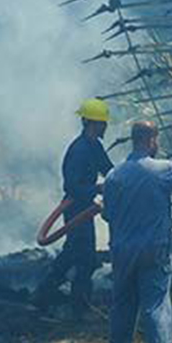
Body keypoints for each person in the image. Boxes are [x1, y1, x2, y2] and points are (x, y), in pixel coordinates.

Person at [102, 121, 172, 343]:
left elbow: (108, 214)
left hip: (122, 251)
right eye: (156, 140)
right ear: (151, 140)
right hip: (154, 250)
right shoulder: (163, 170)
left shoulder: (114, 176)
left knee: (122, 305)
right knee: (156, 304)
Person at [33, 98, 114, 316]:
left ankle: (43, 296)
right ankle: (79, 308)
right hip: (76, 209)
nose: (105, 127)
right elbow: (71, 186)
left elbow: (109, 169)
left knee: (72, 254)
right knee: (85, 259)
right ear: (91, 123)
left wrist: (124, 179)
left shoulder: (94, 146)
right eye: (102, 123)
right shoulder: (79, 150)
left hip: (84, 209)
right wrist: (97, 189)